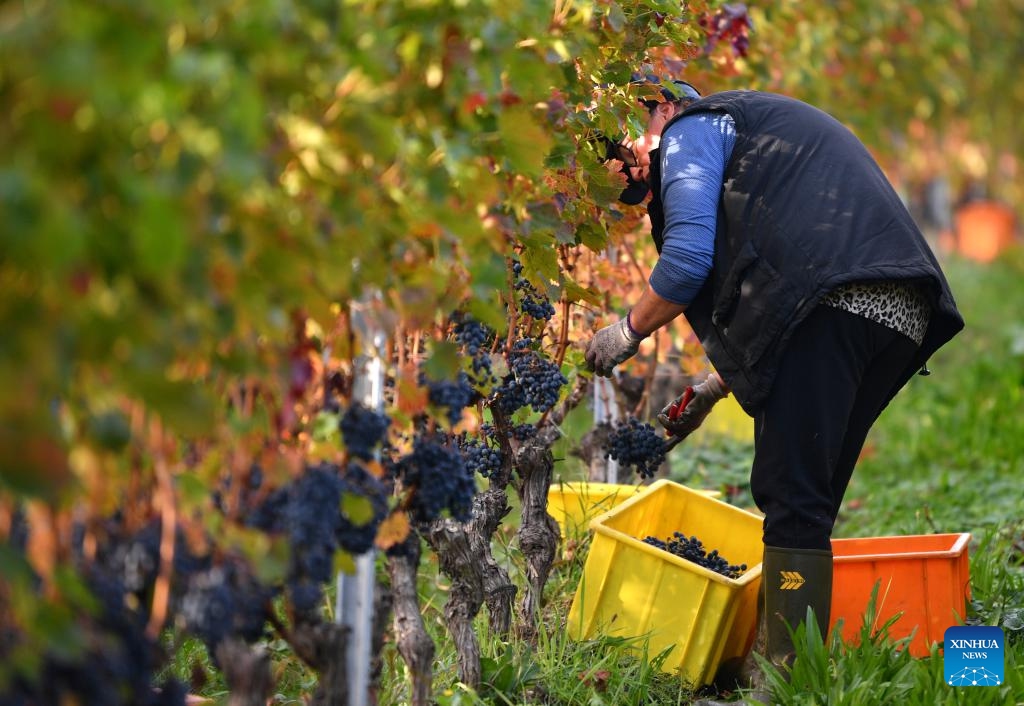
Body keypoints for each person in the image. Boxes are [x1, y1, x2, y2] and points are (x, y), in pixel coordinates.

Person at [583, 77, 964, 704]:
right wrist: (709, 388)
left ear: (662, 107)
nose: (626, 161)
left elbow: (685, 263)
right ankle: (794, 669)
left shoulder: (688, 131)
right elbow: (787, 269)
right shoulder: (747, 133)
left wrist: (625, 332)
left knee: (791, 495)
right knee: (808, 497)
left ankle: (779, 681)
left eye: (626, 138)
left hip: (835, 301)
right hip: (892, 305)